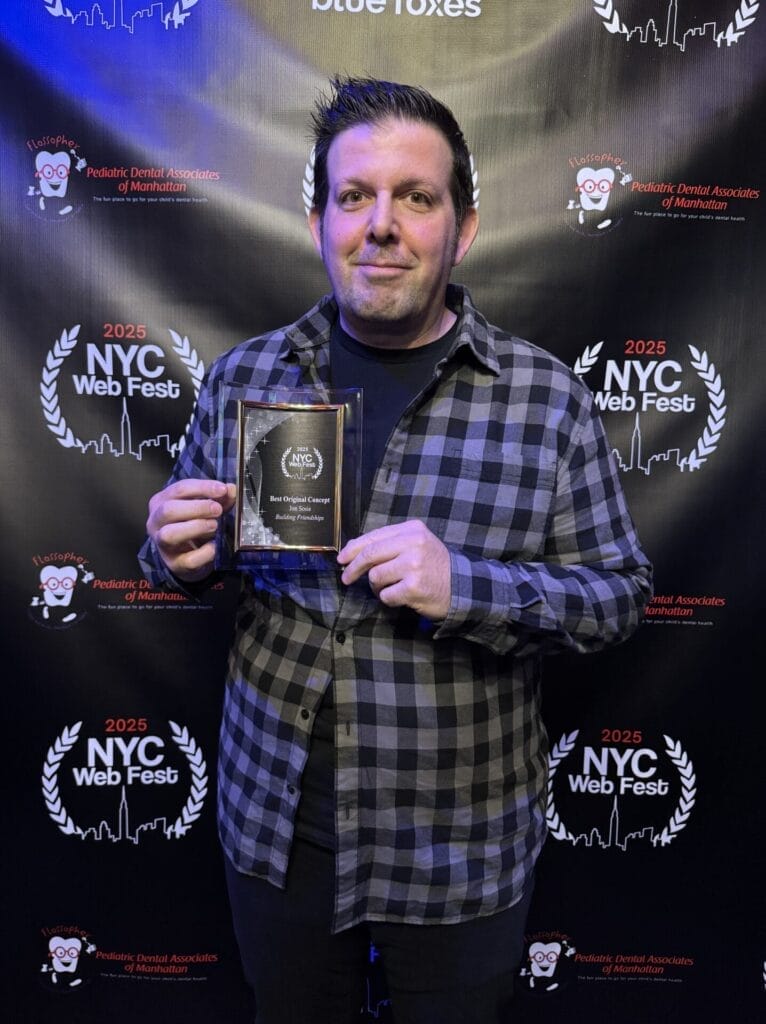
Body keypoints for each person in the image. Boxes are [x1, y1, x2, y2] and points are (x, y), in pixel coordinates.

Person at [139, 76, 652, 1024]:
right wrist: (174, 555)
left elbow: (618, 597)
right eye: (354, 196)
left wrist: (467, 586)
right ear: (318, 222)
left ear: (464, 229)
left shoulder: (546, 401)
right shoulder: (245, 376)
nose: (381, 225)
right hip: (277, 833)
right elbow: (185, 559)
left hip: (457, 850)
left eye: (416, 197)